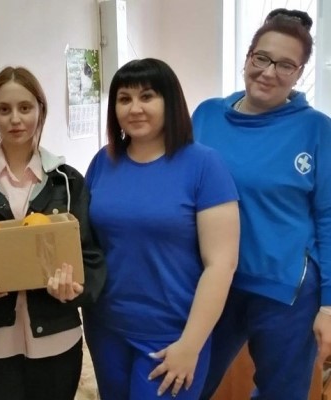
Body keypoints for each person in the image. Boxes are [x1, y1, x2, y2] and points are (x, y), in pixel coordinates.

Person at [0, 66, 106, 400]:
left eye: (25, 108)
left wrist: (74, 290)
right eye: (4, 109)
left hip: (56, 339)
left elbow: (90, 256)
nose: (15, 119)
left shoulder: (68, 181)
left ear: (40, 110)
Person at [192, 9, 331, 400]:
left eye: (285, 65)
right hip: (213, 282)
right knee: (187, 384)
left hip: (286, 292)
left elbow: (328, 218)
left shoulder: (316, 129)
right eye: (262, 58)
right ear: (247, 58)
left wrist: (329, 306)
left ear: (299, 73)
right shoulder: (206, 116)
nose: (269, 72)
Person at [82, 58, 240, 400]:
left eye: (147, 96)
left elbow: (221, 264)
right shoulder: (103, 161)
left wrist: (191, 345)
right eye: (124, 99)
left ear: (170, 101)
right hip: (107, 326)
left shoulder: (204, 165)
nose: (134, 108)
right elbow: (86, 243)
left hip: (173, 333)